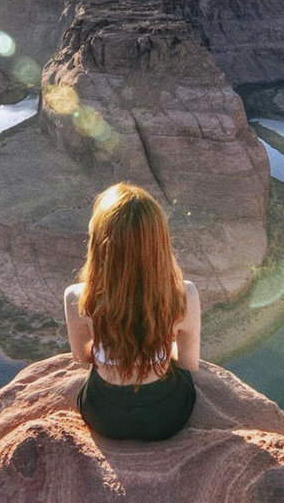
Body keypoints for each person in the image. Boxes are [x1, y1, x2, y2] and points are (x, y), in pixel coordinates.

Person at [64, 182, 201, 441]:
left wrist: (118, 349)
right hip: (168, 416)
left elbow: (83, 358)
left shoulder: (77, 296)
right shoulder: (186, 294)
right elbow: (188, 364)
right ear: (160, 242)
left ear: (99, 243)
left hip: (103, 415)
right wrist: (158, 347)